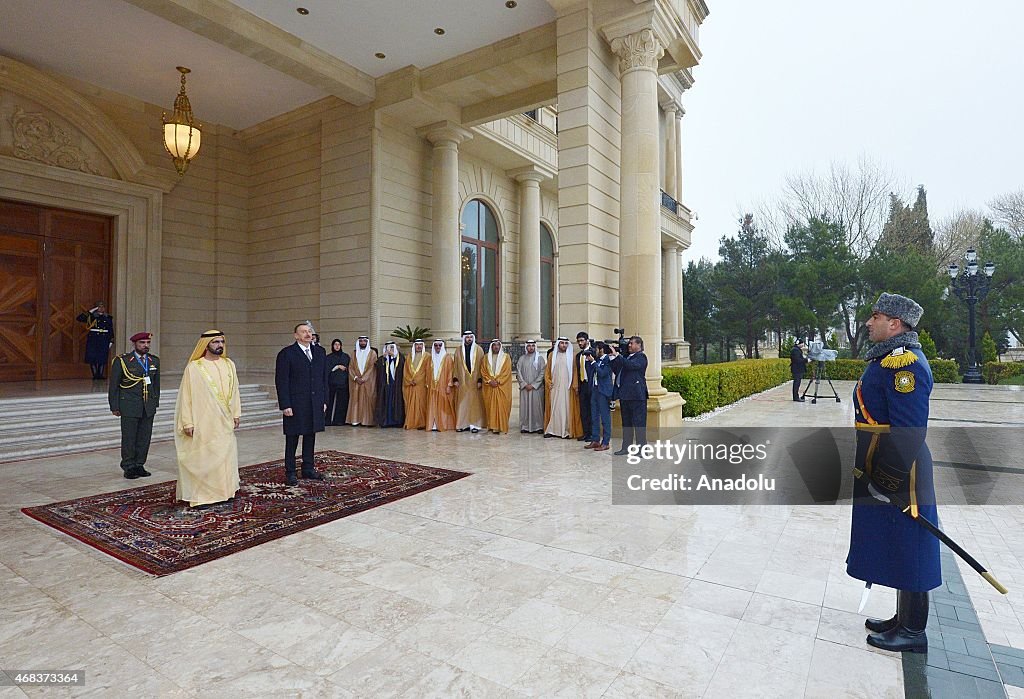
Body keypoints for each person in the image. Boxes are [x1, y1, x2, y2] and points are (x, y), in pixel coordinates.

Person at [847, 292, 939, 654]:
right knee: (900, 543)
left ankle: (914, 631)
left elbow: (909, 430)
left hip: (904, 472)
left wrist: (887, 479)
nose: (869, 322)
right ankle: (903, 619)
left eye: (876, 316)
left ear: (895, 323)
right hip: (884, 461)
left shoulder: (905, 366)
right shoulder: (887, 359)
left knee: (913, 545)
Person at [174, 331, 241, 507]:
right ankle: (202, 496)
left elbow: (235, 392)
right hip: (203, 421)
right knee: (204, 457)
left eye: (222, 341)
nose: (220, 345)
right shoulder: (194, 367)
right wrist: (187, 422)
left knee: (225, 455)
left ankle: (226, 492)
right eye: (215, 342)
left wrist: (236, 413)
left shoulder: (229, 364)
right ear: (205, 344)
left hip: (224, 420)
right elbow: (186, 397)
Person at [275, 323, 328, 486]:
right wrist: (285, 404)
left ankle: (308, 468)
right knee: (292, 438)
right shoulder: (287, 354)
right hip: (295, 403)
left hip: (314, 402)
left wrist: (324, 400)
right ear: (296, 336)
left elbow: (323, 378)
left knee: (310, 435)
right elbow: (281, 381)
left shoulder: (320, 352)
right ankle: (290, 471)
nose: (307, 334)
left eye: (309, 331)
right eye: (303, 332)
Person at [108, 331, 159, 479]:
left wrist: (154, 403)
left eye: (148, 343)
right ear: (135, 344)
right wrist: (114, 406)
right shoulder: (123, 361)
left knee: (144, 437)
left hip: (147, 406)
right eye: (142, 343)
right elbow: (114, 386)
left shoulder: (154, 361)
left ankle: (139, 464)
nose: (145, 346)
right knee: (129, 437)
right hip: (129, 404)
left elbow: (156, 385)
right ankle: (128, 466)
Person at [612, 336, 648, 455]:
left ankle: (642, 450)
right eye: (629, 343)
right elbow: (617, 370)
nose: (629, 345)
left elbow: (632, 366)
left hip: (637, 396)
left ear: (639, 345)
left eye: (632, 343)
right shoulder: (626, 357)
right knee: (626, 424)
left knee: (639, 423)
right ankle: (626, 447)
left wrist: (619, 356)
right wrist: (613, 357)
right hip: (625, 395)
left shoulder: (641, 357)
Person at [544, 337, 583, 439]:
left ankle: (565, 431)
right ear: (558, 344)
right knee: (554, 408)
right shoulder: (552, 356)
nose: (564, 345)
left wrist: (575, 385)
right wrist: (548, 382)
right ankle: (552, 430)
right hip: (554, 387)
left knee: (566, 409)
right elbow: (547, 371)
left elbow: (575, 372)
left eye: (566, 343)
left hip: (567, 388)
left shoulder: (572, 356)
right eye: (562, 343)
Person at [453, 331, 486, 433]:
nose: (469, 339)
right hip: (462, 381)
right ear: (464, 338)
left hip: (475, 381)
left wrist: (480, 380)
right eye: (467, 337)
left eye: (470, 337)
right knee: (462, 403)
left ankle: (475, 425)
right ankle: (463, 425)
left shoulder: (479, 350)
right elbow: (455, 366)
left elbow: (482, 366)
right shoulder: (458, 350)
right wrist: (455, 379)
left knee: (475, 403)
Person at [586, 343, 615, 451]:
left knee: (605, 417)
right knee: (594, 416)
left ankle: (606, 442)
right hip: (595, 389)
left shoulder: (608, 360)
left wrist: (593, 362)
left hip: (604, 391)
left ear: (601, 349)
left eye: (596, 349)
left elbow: (602, 373)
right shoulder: (596, 360)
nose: (594, 351)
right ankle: (595, 440)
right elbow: (591, 372)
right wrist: (590, 361)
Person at [481, 339, 513, 434]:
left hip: (501, 387)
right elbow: (483, 371)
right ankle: (492, 426)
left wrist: (498, 381)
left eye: (497, 345)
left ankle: (501, 426)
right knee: (490, 406)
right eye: (494, 345)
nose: (496, 347)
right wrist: (490, 381)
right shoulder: (486, 358)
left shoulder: (506, 357)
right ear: (491, 346)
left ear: (500, 346)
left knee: (502, 406)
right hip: (490, 386)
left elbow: (507, 372)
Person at [425, 339, 456, 431]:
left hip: (443, 386)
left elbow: (451, 372)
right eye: (436, 345)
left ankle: (443, 424)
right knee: (432, 405)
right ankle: (433, 424)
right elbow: (427, 372)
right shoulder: (430, 359)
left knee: (443, 406)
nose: (438, 347)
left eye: (439, 345)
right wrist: (427, 384)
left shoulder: (448, 358)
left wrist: (449, 385)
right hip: (432, 386)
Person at [346, 336, 378, 426]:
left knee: (367, 400)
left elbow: (372, 368)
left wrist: (364, 378)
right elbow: (351, 367)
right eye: (361, 341)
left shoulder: (372, 353)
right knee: (355, 400)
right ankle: (355, 420)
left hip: (367, 381)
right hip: (356, 381)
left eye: (364, 341)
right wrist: (356, 378)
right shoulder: (354, 354)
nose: (363, 342)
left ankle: (366, 421)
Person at [77, 301, 114, 380]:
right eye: (99, 307)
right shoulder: (92, 316)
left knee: (102, 357)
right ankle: (94, 375)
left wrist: (111, 340)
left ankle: (100, 374)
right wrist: (91, 311)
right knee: (92, 356)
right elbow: (80, 318)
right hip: (94, 338)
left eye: (102, 306)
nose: (101, 308)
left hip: (104, 338)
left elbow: (110, 329)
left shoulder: (108, 317)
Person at [516, 340, 546, 433]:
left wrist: (533, 385)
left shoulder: (540, 359)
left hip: (537, 389)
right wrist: (524, 384)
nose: (531, 347)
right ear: (526, 347)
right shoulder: (521, 359)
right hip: (525, 388)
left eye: (533, 346)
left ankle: (538, 427)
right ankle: (525, 426)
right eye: (529, 346)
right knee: (525, 408)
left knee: (537, 408)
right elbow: (518, 372)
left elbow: (542, 373)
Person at [375, 341, 406, 427]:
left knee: (396, 403)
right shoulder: (381, 359)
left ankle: (397, 422)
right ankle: (386, 421)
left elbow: (403, 368)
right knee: (386, 403)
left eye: (392, 348)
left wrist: (394, 357)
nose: (390, 350)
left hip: (397, 386)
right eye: (388, 348)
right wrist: (384, 359)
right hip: (386, 386)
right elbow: (378, 369)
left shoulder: (401, 358)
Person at [403, 339, 429, 430]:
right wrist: (410, 380)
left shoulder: (427, 356)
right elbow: (406, 371)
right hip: (411, 384)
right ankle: (411, 422)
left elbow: (428, 371)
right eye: (417, 345)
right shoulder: (409, 356)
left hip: (422, 385)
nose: (419, 347)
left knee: (422, 404)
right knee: (411, 404)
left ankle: (422, 423)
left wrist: (418, 380)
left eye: (420, 345)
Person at [325, 339, 350, 425]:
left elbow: (350, 368)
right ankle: (327, 420)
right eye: (335, 344)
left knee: (342, 403)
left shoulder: (345, 356)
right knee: (329, 402)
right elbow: (326, 370)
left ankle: (339, 420)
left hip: (343, 383)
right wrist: (337, 367)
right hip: (331, 383)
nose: (337, 346)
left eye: (339, 344)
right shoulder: (328, 357)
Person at [574, 332, 593, 442]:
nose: (580, 343)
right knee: (584, 410)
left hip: (591, 385)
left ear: (587, 340)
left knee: (592, 410)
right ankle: (585, 433)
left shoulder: (593, 352)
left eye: (582, 340)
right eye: (578, 341)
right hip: (582, 385)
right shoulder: (578, 356)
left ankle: (592, 434)